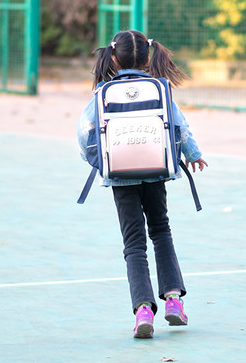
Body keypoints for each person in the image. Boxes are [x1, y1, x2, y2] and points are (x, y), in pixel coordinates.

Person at [77, 29, 208, 339]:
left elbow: (85, 135)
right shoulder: (158, 88)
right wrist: (193, 154)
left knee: (133, 243)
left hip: (120, 176)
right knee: (161, 231)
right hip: (155, 171)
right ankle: (174, 300)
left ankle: (143, 310)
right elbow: (179, 125)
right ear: (149, 57)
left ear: (112, 57)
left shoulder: (104, 93)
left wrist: (102, 163)